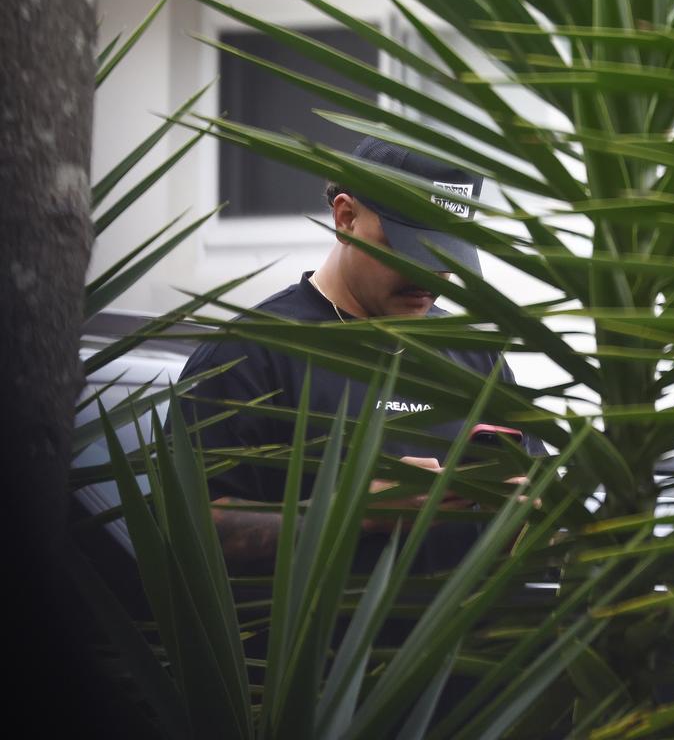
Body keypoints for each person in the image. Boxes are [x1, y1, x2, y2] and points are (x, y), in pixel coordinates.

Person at [175, 136, 545, 575]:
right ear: (346, 217)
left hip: (462, 643)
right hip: (311, 644)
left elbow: (538, 506)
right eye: (411, 251)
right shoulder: (250, 354)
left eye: (448, 256)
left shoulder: (474, 353)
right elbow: (187, 530)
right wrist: (359, 510)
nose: (431, 278)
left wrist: (524, 516)